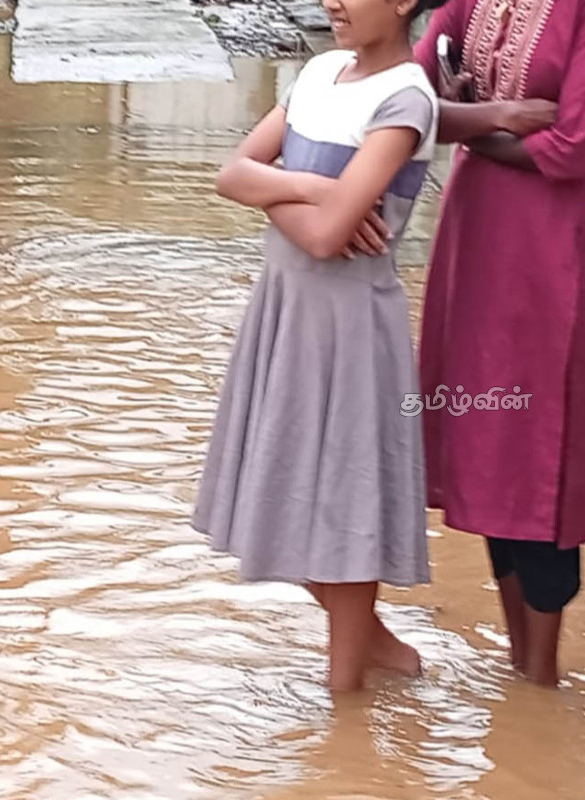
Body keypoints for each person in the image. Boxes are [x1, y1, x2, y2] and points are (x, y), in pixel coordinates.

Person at [193, 0, 448, 692]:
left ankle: (346, 704)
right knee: (270, 490)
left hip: (349, 328)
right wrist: (308, 184)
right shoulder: (321, 71)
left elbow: (327, 236)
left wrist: (272, 192)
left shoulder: (406, 99)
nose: (331, 1)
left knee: (344, 503)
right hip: (283, 312)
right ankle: (383, 652)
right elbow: (228, 173)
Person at [412, 0, 585, 686]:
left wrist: (469, 127)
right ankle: (525, 679)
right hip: (480, 237)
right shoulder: (468, 2)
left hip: (557, 250)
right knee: (492, 441)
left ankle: (539, 676)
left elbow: (572, 146)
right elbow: (407, 92)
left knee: (543, 445)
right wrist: (497, 119)